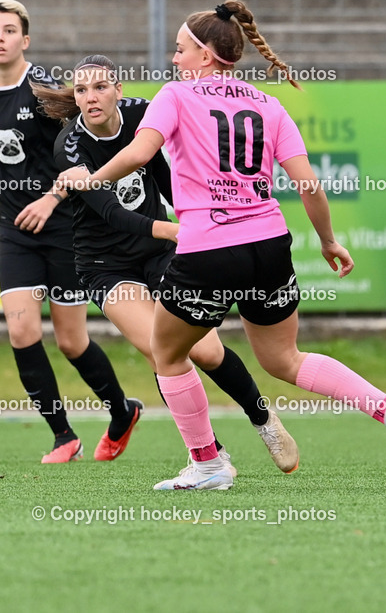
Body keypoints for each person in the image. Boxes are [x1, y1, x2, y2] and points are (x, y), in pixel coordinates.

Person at [58, 0, 386, 490]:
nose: (173, 61)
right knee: (285, 359)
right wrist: (328, 241)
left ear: (206, 55)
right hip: (270, 245)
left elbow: (137, 153)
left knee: (168, 354)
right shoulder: (269, 104)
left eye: (180, 50)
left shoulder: (175, 96)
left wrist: (91, 180)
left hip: (209, 250)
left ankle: (209, 465)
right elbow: (309, 186)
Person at [33, 54, 298, 475]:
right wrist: (177, 230)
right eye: (81, 90)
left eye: (100, 87)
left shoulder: (143, 113)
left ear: (119, 89)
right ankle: (209, 456)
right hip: (105, 264)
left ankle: (263, 419)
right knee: (163, 352)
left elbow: (162, 173)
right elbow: (111, 213)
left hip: (158, 254)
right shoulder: (68, 144)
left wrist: (194, 218)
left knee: (208, 350)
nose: (90, 97)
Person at [0, 0, 142, 463]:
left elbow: (79, 151)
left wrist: (54, 198)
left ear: (26, 40)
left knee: (70, 340)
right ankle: (63, 436)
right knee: (21, 332)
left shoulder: (46, 91)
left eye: (8, 30)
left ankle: (122, 411)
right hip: (15, 232)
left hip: (65, 228)